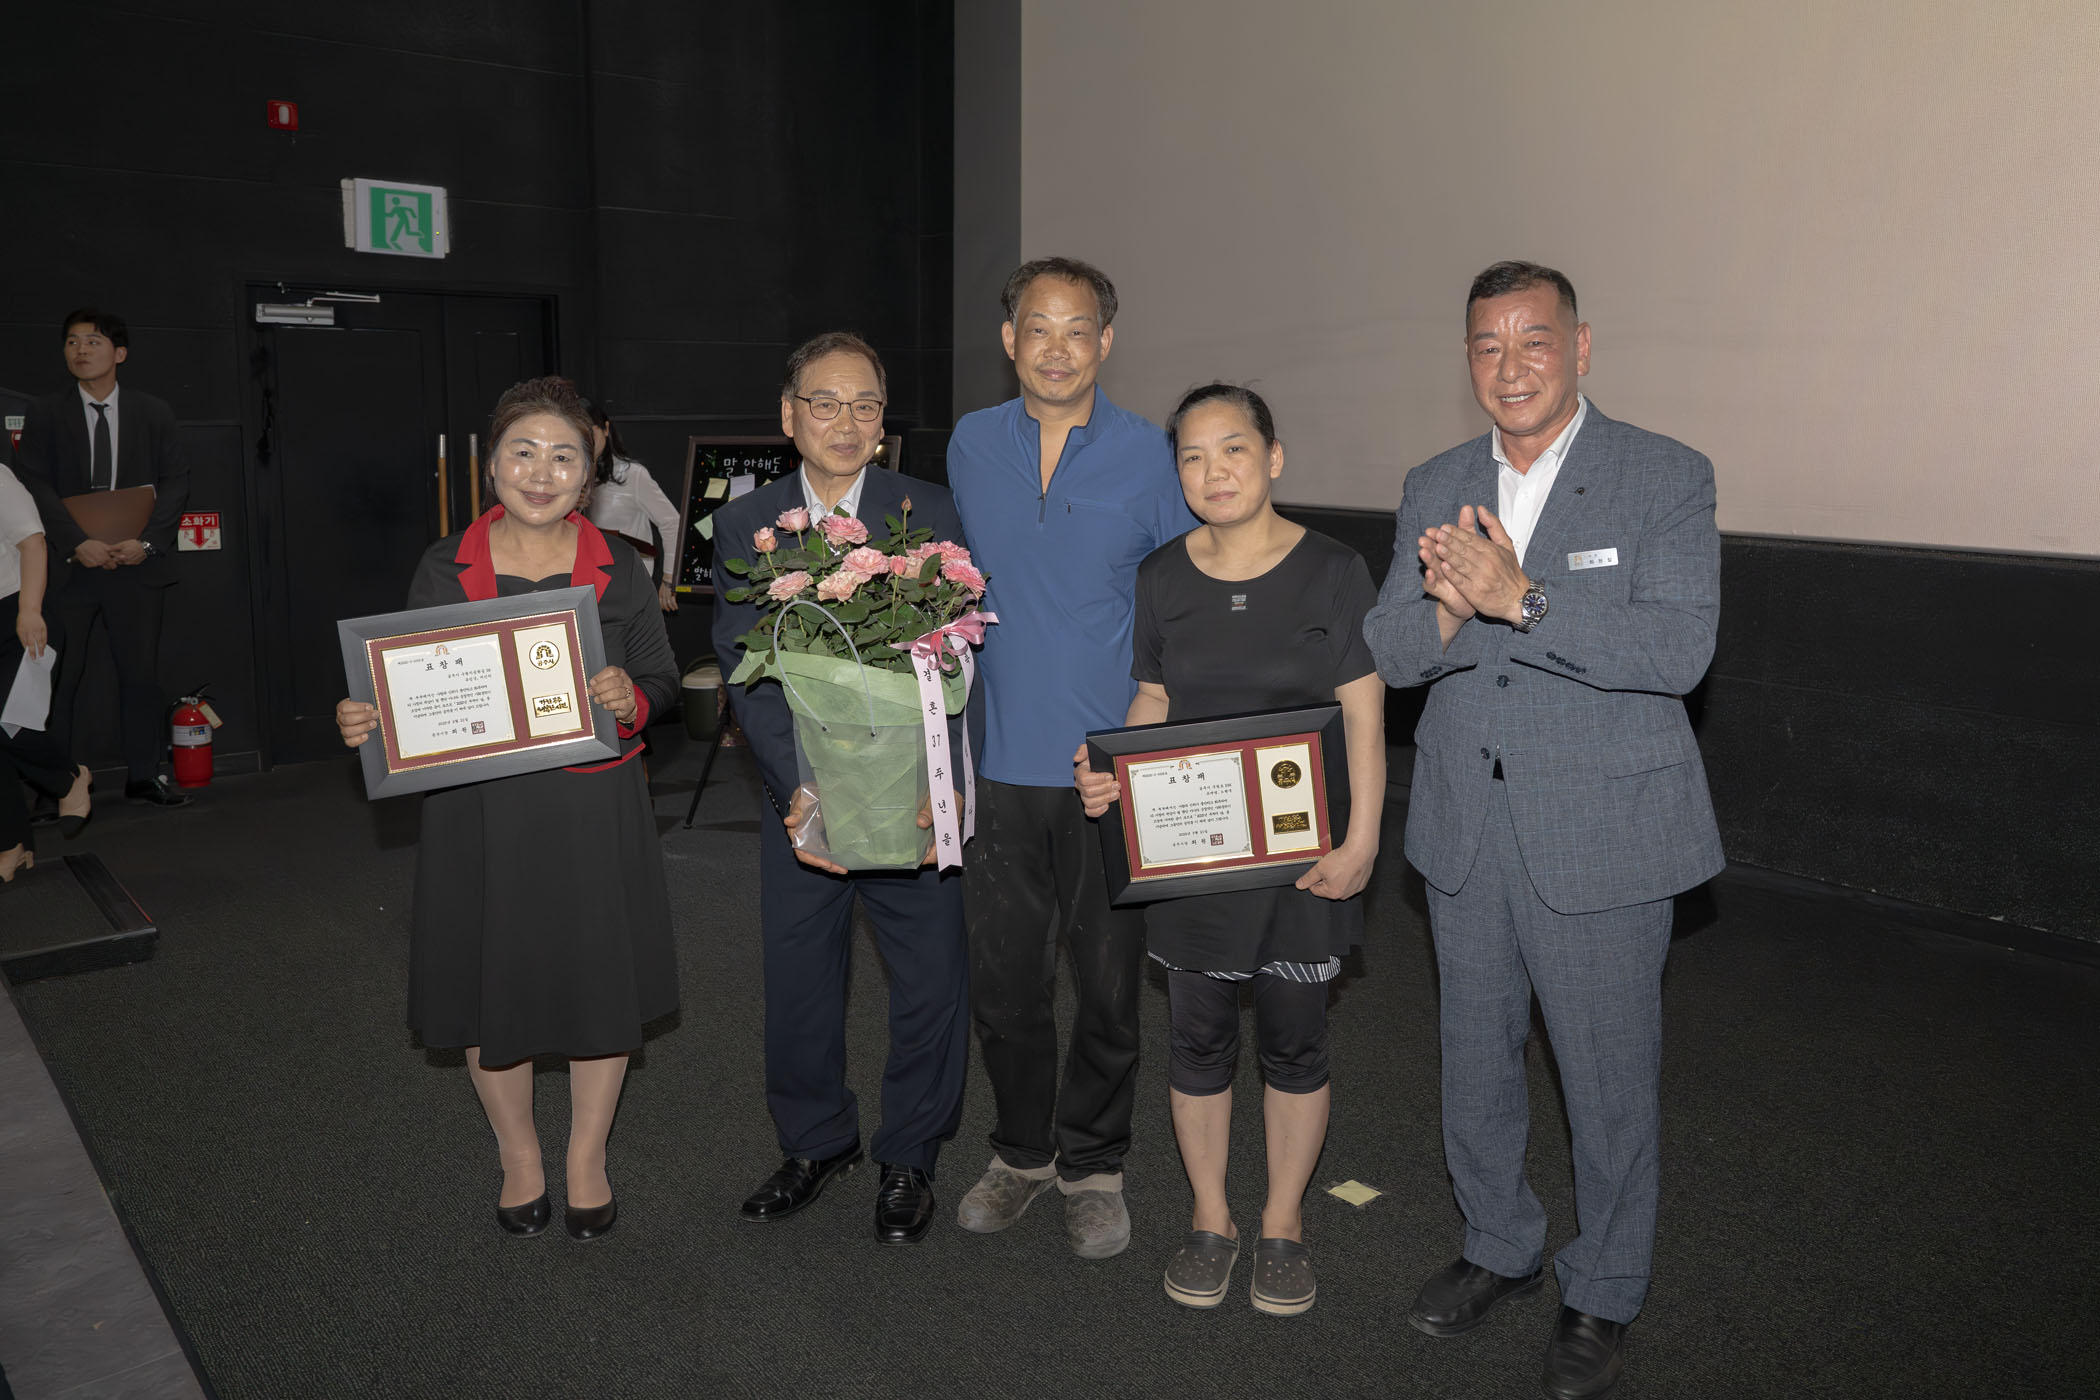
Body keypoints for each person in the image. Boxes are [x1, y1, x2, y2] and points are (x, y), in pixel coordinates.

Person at [1363, 262, 1723, 1400]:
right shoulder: (1434, 481)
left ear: (1581, 346)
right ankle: (1498, 1243)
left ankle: (1604, 1287)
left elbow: (1679, 652)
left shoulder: (1665, 474)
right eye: (1487, 345)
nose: (1509, 365)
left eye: (1534, 340)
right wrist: (1447, 602)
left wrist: (1522, 599)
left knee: (1607, 1076)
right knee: (1475, 1056)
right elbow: (1390, 651)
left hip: (1604, 830)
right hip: (1466, 825)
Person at [334, 376, 679, 1242]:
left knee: (599, 983)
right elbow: (412, 687)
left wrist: (631, 697)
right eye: (523, 452)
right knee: (489, 984)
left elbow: (662, 680)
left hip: (593, 807)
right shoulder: (444, 565)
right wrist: (370, 718)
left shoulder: (620, 567)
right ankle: (519, 1156)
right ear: (491, 465)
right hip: (478, 815)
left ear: (589, 476)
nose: (541, 472)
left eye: (564, 457)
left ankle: (587, 1158)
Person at [1075, 385, 1385, 1315]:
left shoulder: (1334, 569)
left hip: (1303, 856)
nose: (1214, 471)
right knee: (1198, 1040)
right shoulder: (1162, 576)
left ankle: (1283, 1223)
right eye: (1193, 457)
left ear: (1273, 457)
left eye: (1234, 449)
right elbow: (1154, 698)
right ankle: (1211, 1218)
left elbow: (1365, 715)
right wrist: (1111, 772)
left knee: (1295, 1040)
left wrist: (1364, 839)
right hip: (1196, 855)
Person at [946, 257, 1196, 1259]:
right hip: (995, 763)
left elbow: (1182, 601)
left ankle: (1094, 1164)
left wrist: (1150, 738)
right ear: (1010, 340)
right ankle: (1021, 1153)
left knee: (1107, 988)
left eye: (1078, 329)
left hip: (1109, 772)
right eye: (1038, 328)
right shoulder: (971, 442)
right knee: (1004, 985)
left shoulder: (1152, 456)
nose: (1058, 348)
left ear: (1106, 342)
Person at [710, 331, 972, 1245]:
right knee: (800, 981)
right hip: (806, 796)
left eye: (865, 405)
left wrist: (942, 782)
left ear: (883, 420)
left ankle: (911, 1156)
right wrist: (799, 785)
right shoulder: (750, 524)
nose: (846, 422)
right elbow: (743, 665)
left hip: (908, 791)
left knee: (930, 978)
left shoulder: (928, 508)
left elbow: (961, 651)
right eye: (825, 403)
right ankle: (815, 1143)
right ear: (789, 417)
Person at [13, 308, 191, 807]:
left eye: (93, 341)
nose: (81, 350)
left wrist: (147, 543)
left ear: (120, 353)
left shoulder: (153, 411)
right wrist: (76, 542)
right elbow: (34, 483)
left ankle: (144, 775)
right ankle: (56, 786)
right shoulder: (46, 412)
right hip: (71, 568)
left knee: (140, 677)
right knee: (60, 678)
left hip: (137, 565)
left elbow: (176, 482)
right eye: (72, 342)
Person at [1, 464, 93, 881]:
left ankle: (67, 778)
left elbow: (33, 544)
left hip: (19, 614)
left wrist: (30, 610)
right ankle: (11, 844)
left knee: (11, 725)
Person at [585, 402, 681, 613]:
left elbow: (672, 523)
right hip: (583, 587)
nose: (586, 441)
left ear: (606, 429)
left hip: (628, 587)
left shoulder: (632, 475)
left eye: (591, 433)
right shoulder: (567, 478)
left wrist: (669, 579)